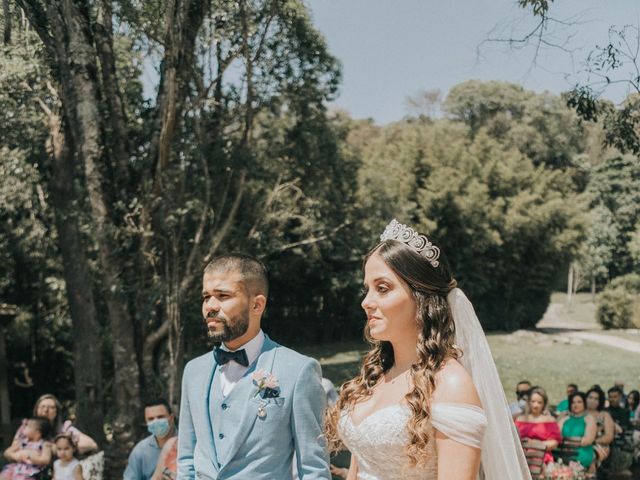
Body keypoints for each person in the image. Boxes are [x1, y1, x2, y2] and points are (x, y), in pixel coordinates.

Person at [325, 219, 531, 479]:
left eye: (383, 288)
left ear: (421, 297)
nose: (367, 302)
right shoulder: (376, 375)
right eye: (367, 289)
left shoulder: (451, 384)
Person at [177, 254, 331, 480]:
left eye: (223, 296)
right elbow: (186, 460)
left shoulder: (298, 371)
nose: (210, 306)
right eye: (206, 296)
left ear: (257, 304)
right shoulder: (193, 371)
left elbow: (313, 469)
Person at [5, 394, 98, 458]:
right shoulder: (26, 428)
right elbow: (12, 451)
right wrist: (17, 456)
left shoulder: (65, 428)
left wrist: (61, 449)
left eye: (51, 407)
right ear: (36, 410)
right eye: (42, 407)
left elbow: (92, 445)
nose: (46, 410)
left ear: (57, 412)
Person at [124, 399, 177, 480]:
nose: (156, 421)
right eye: (151, 419)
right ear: (146, 423)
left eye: (160, 417)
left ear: (171, 418)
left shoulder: (186, 444)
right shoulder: (140, 451)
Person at [515, 386, 561, 464]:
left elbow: (554, 442)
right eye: (533, 402)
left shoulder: (549, 420)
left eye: (539, 402)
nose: (535, 405)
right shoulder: (520, 419)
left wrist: (535, 444)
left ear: (544, 404)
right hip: (521, 456)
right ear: (528, 402)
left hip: (541, 457)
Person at [558, 392, 596, 470]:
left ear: (584, 404)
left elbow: (587, 441)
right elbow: (557, 437)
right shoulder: (565, 419)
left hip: (581, 454)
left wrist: (566, 441)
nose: (576, 405)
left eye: (579, 402)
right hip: (563, 453)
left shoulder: (589, 419)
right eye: (573, 402)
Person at [585, 387, 615, 464]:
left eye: (596, 399)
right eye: (590, 397)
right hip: (578, 443)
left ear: (600, 401)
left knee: (589, 455)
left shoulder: (604, 415)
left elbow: (609, 436)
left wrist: (592, 442)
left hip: (599, 445)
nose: (592, 400)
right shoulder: (579, 413)